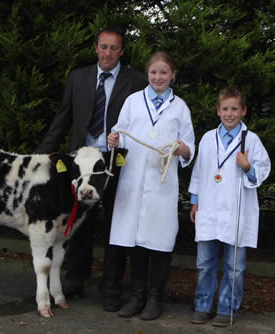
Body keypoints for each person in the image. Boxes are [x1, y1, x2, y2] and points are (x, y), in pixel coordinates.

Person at [35, 25, 147, 311]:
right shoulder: (79, 77)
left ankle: (111, 286)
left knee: (115, 224)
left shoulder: (135, 80)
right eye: (103, 46)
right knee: (78, 222)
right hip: (81, 162)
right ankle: (75, 280)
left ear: (122, 51)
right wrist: (40, 155)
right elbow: (63, 117)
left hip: (116, 162)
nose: (108, 52)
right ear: (96, 48)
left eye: (114, 48)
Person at [107, 51, 195, 320]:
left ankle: (155, 298)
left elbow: (189, 148)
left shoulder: (180, 107)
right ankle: (137, 297)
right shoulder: (133, 101)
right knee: (134, 241)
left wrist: (182, 149)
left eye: (164, 72)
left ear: (173, 75)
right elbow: (121, 133)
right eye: (154, 72)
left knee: (159, 241)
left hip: (161, 183)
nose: (158, 77)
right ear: (148, 74)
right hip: (133, 181)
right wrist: (113, 140)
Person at [188, 86, 271, 327]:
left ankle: (227, 308)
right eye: (225, 108)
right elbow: (198, 172)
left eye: (235, 109)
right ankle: (202, 305)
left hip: (236, 211)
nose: (230, 113)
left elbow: (263, 171)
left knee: (234, 267)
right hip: (209, 209)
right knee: (204, 263)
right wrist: (194, 202)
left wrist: (247, 167)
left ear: (243, 111)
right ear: (218, 111)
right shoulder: (207, 139)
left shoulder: (251, 140)